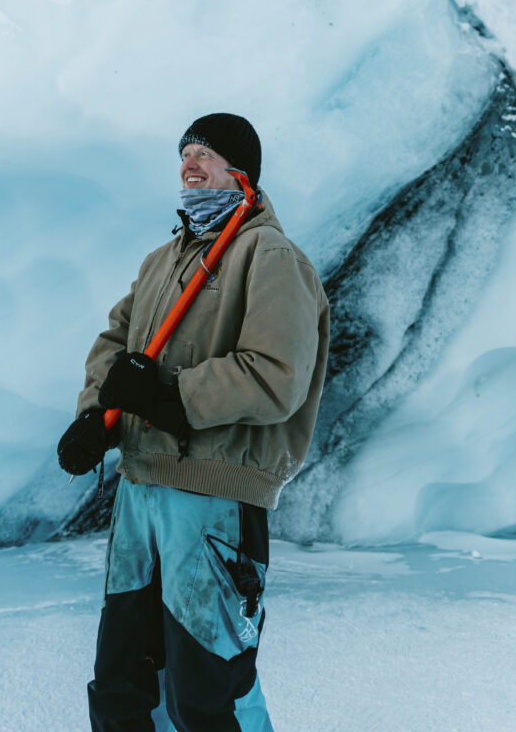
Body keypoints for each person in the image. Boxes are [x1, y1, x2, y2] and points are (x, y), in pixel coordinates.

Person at [58, 113, 330, 732]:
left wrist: (166, 395)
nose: (190, 162)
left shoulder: (271, 255)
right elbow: (114, 343)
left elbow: (274, 374)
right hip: (141, 492)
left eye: (205, 153)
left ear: (242, 172)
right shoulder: (161, 262)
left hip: (215, 497)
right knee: (122, 680)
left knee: (207, 686)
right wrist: (95, 419)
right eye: (185, 152)